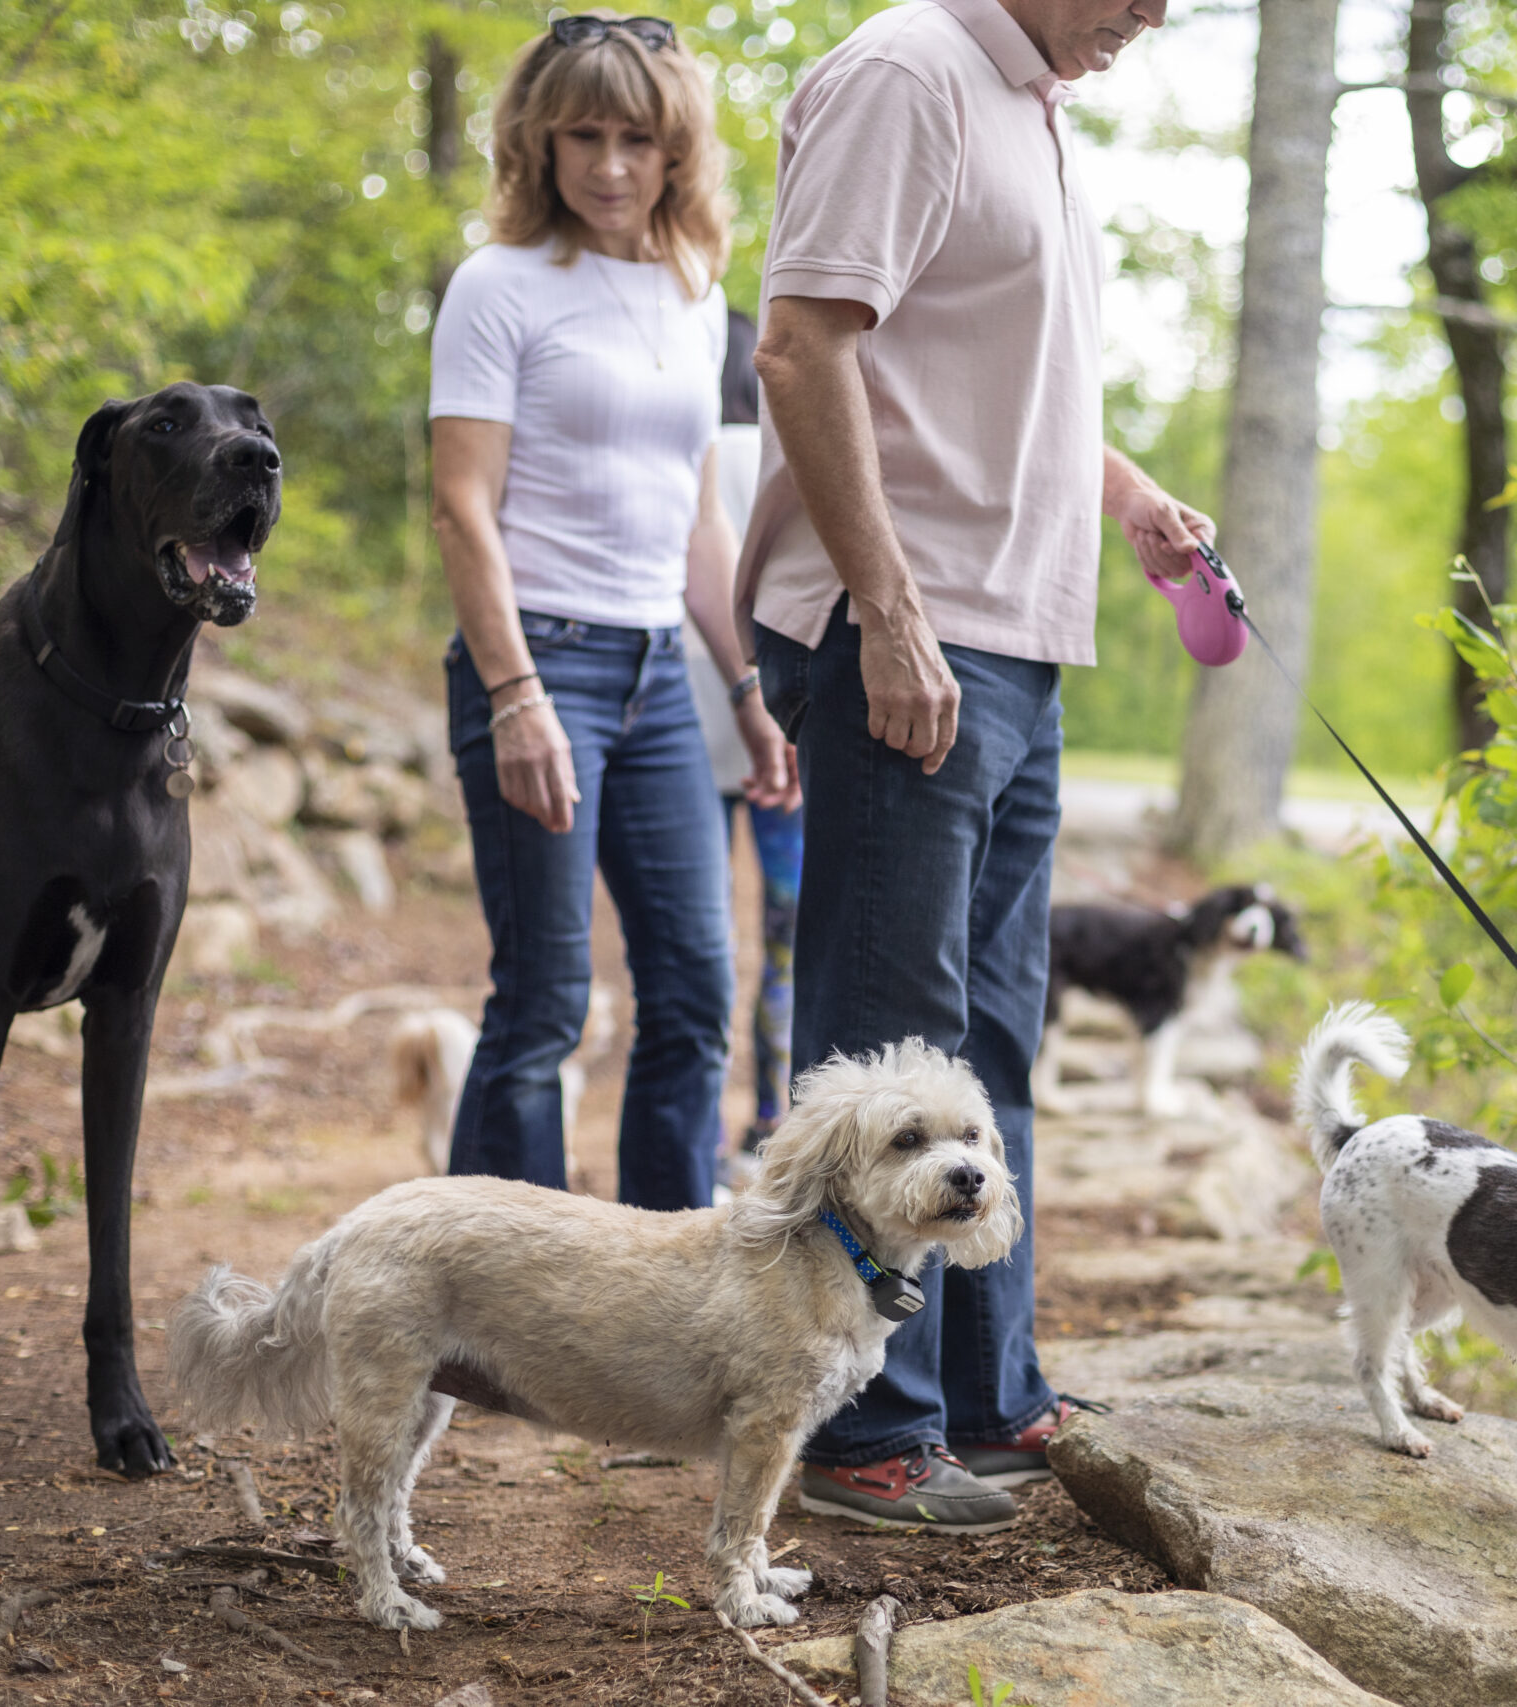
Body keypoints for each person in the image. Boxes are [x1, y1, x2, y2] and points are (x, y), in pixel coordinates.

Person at [739, 0, 1210, 1532]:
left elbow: (998, 393)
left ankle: (988, 1394)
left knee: (992, 1038)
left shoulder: (1038, 107)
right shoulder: (905, 74)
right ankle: (864, 1427)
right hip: (907, 634)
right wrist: (883, 608)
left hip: (1019, 641)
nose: (1157, 12)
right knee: (892, 1047)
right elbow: (805, 347)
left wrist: (1127, 496)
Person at [429, 12, 794, 1210]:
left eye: (636, 137)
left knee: (693, 993)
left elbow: (698, 528)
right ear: (539, 141)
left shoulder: (695, 294)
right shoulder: (498, 285)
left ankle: (665, 1286)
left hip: (656, 680)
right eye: (581, 134)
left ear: (676, 150)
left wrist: (749, 693)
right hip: (540, 663)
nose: (608, 164)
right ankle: (497, 1302)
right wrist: (515, 695)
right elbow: (463, 511)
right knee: (542, 1001)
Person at [683, 309, 802, 1170]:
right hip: (780, 733)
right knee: (787, 936)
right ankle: (772, 1121)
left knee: (702, 937)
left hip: (685, 723)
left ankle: (705, 1140)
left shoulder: (688, 454)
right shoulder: (783, 454)